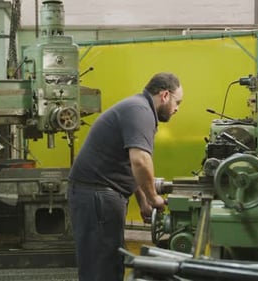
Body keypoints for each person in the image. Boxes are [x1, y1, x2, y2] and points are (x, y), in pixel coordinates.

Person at [68, 72, 184, 281]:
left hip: (100, 193)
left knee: (109, 262)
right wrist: (153, 198)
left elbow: (129, 165)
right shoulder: (140, 112)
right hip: (97, 194)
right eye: (178, 102)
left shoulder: (138, 108)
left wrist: (142, 201)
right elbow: (140, 161)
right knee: (102, 269)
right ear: (165, 95)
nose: (177, 109)